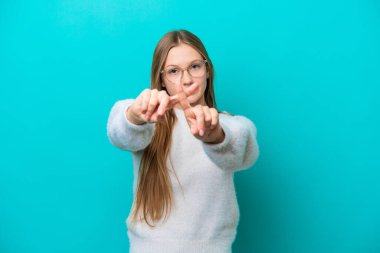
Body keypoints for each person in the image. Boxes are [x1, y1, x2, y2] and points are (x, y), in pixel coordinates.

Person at [106, 29, 259, 253]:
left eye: (195, 67)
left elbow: (240, 151)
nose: (186, 80)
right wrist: (135, 116)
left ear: (207, 70)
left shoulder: (230, 124)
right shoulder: (149, 123)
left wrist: (213, 136)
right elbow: (119, 130)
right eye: (174, 71)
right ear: (162, 79)